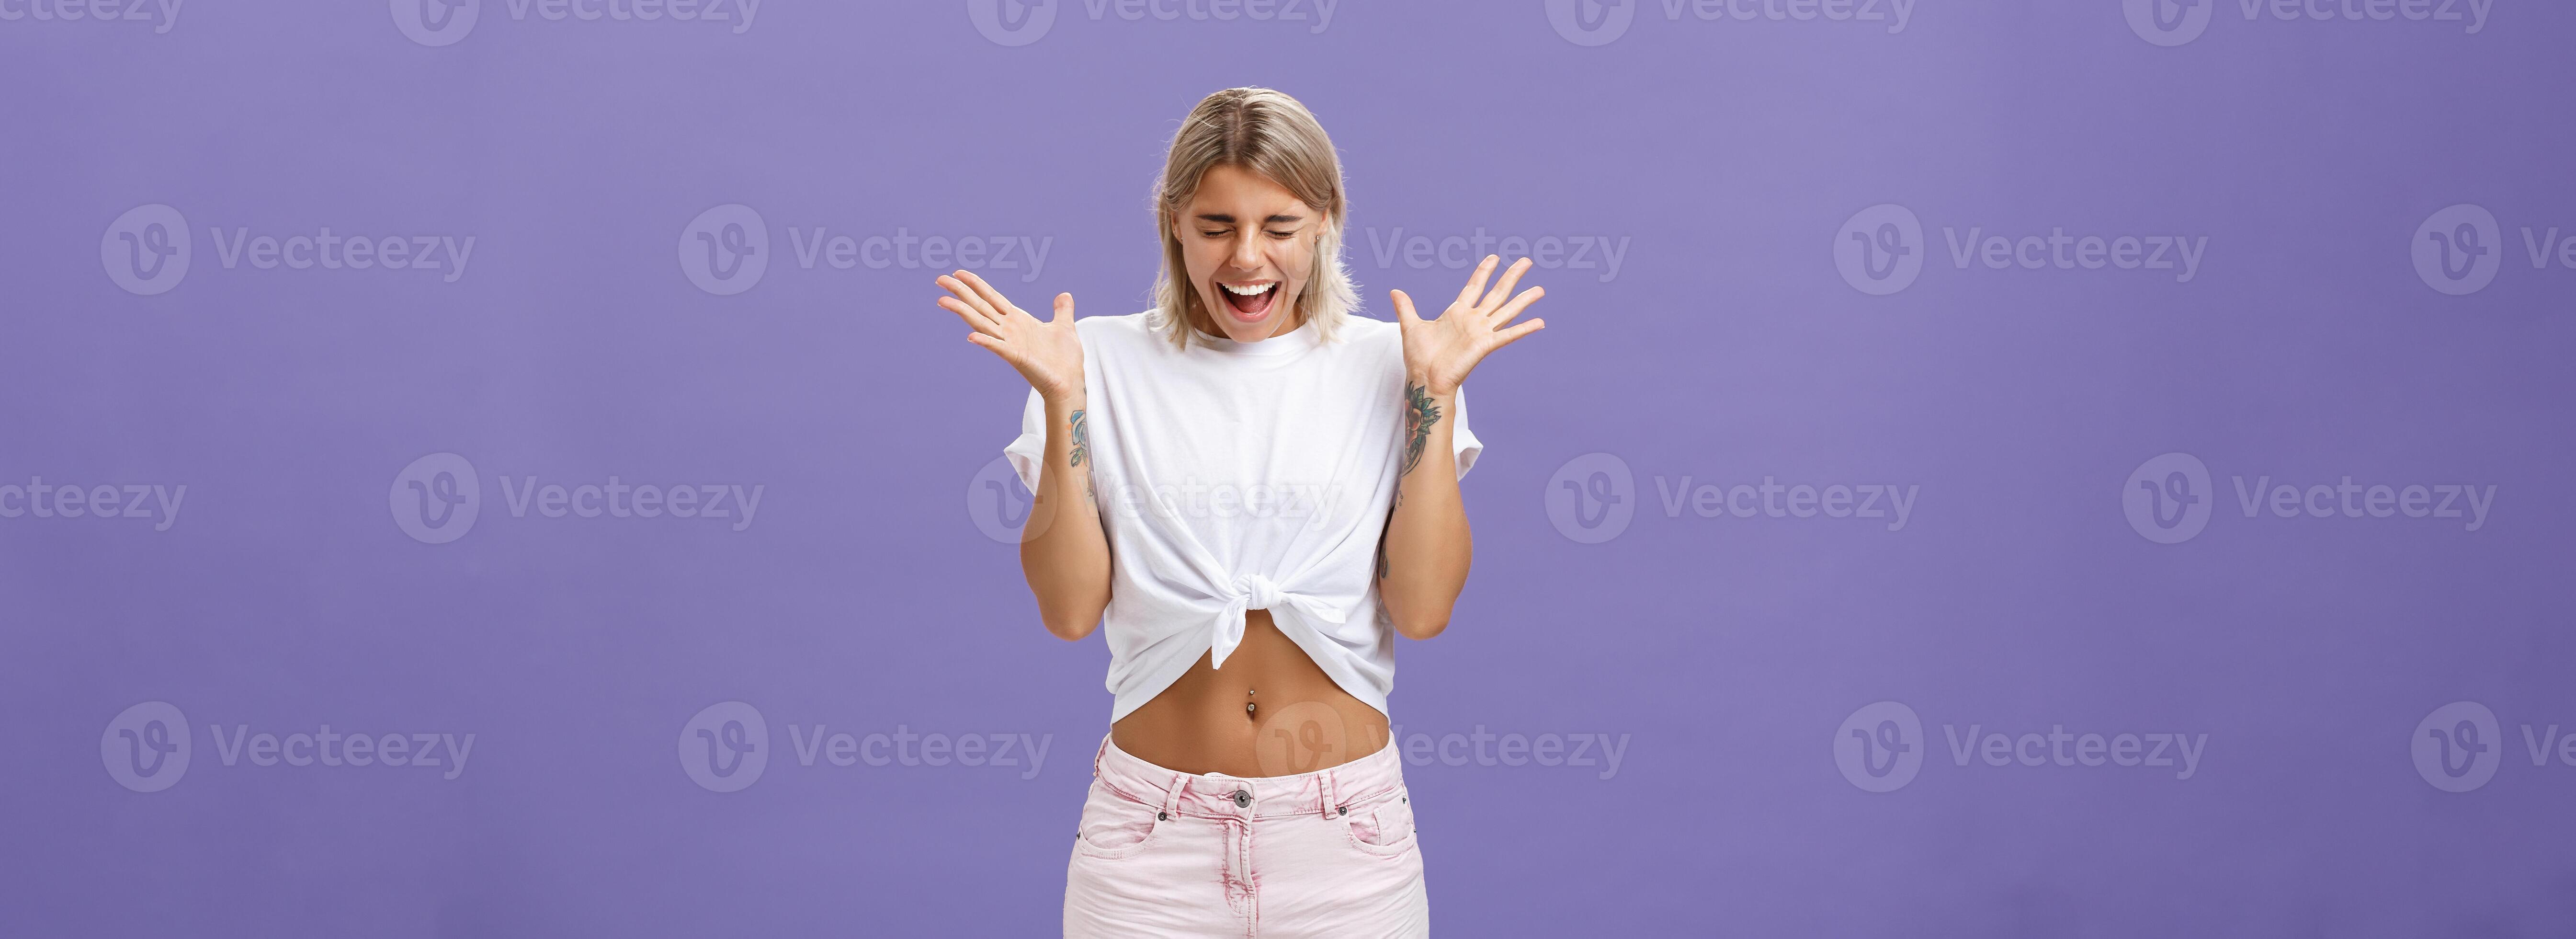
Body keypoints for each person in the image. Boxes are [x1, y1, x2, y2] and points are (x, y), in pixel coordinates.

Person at [935, 86, 1545, 938]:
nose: (1247, 259)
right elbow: (1071, 611)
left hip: (1346, 845)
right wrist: (1065, 403)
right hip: (1150, 845)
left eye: (1280, 227)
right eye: (1216, 227)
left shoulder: (1396, 361)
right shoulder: (1090, 361)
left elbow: (1424, 608)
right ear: (1173, 222)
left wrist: (1434, 397)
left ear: (1327, 220)